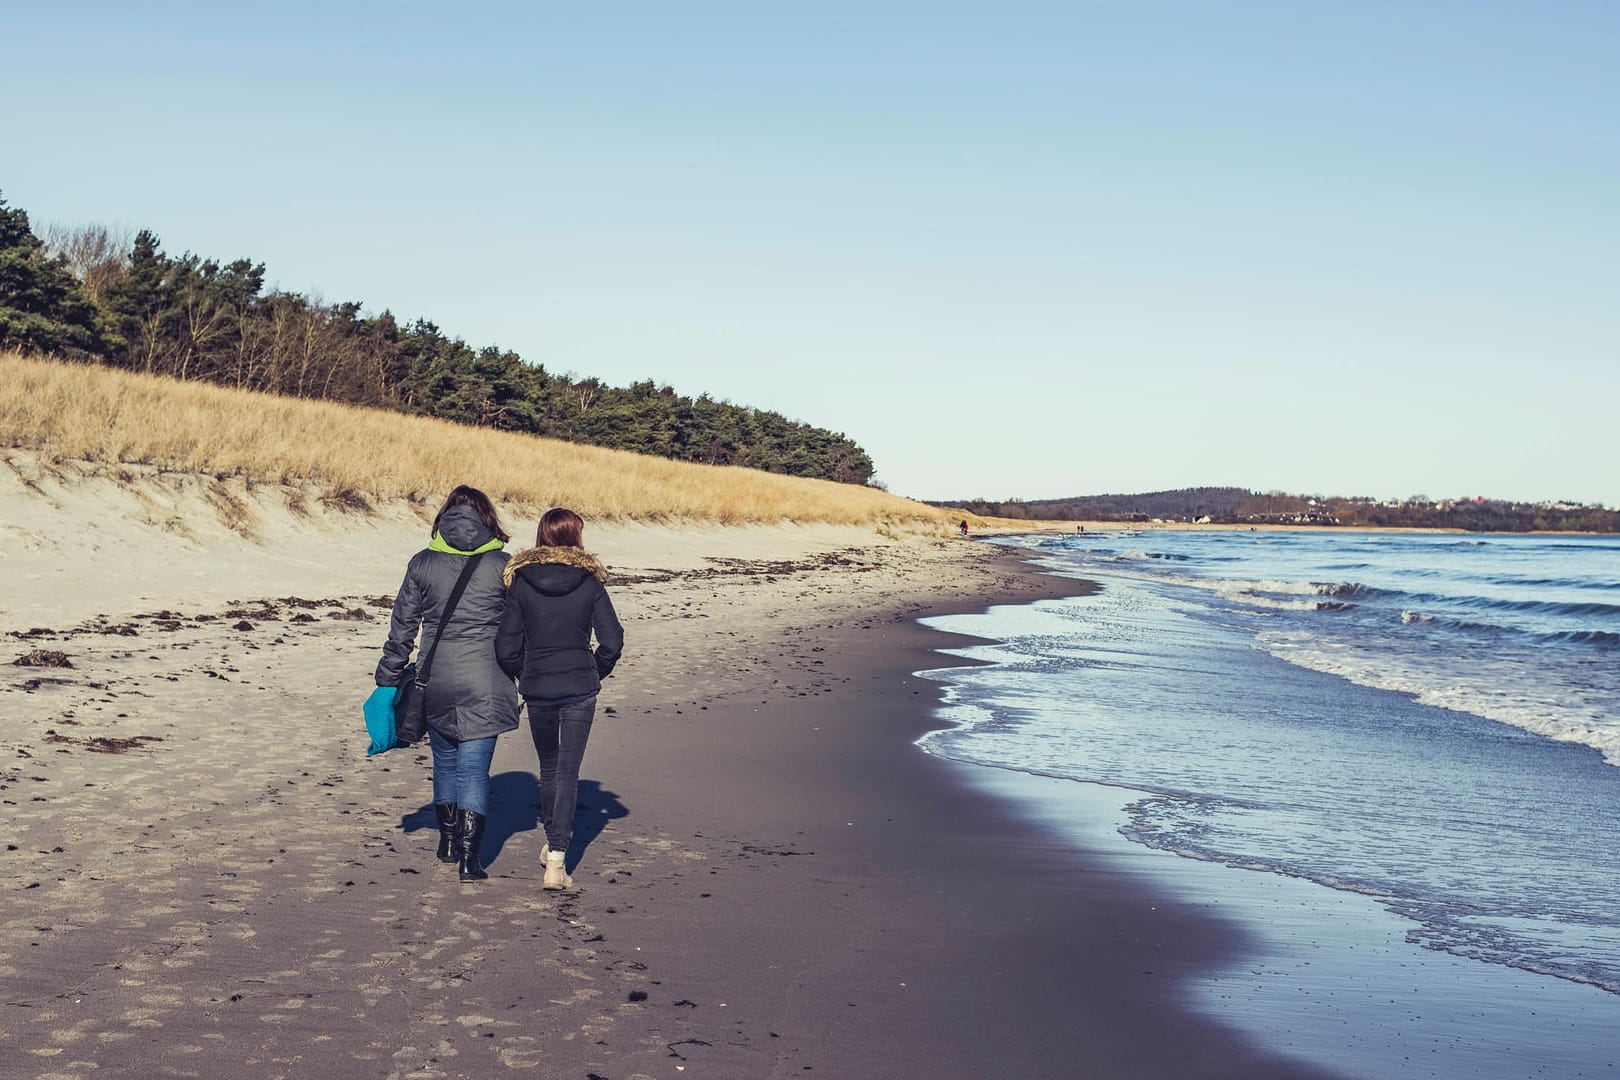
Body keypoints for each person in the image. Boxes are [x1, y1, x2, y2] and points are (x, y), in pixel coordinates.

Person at [376, 485, 519, 882]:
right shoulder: (503, 565)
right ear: (487, 519)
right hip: (487, 676)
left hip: (433, 676)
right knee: (474, 770)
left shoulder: (422, 563)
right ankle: (470, 861)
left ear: (445, 518)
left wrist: (388, 678)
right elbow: (518, 627)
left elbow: (402, 627)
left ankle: (448, 841)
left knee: (444, 762)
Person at [496, 507, 624, 891]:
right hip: (578, 687)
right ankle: (556, 859)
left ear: (542, 535)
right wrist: (593, 669)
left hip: (539, 685)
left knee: (549, 768)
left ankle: (553, 846)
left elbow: (505, 645)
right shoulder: (590, 582)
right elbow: (612, 641)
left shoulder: (520, 582)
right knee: (567, 770)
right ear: (576, 537)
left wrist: (524, 670)